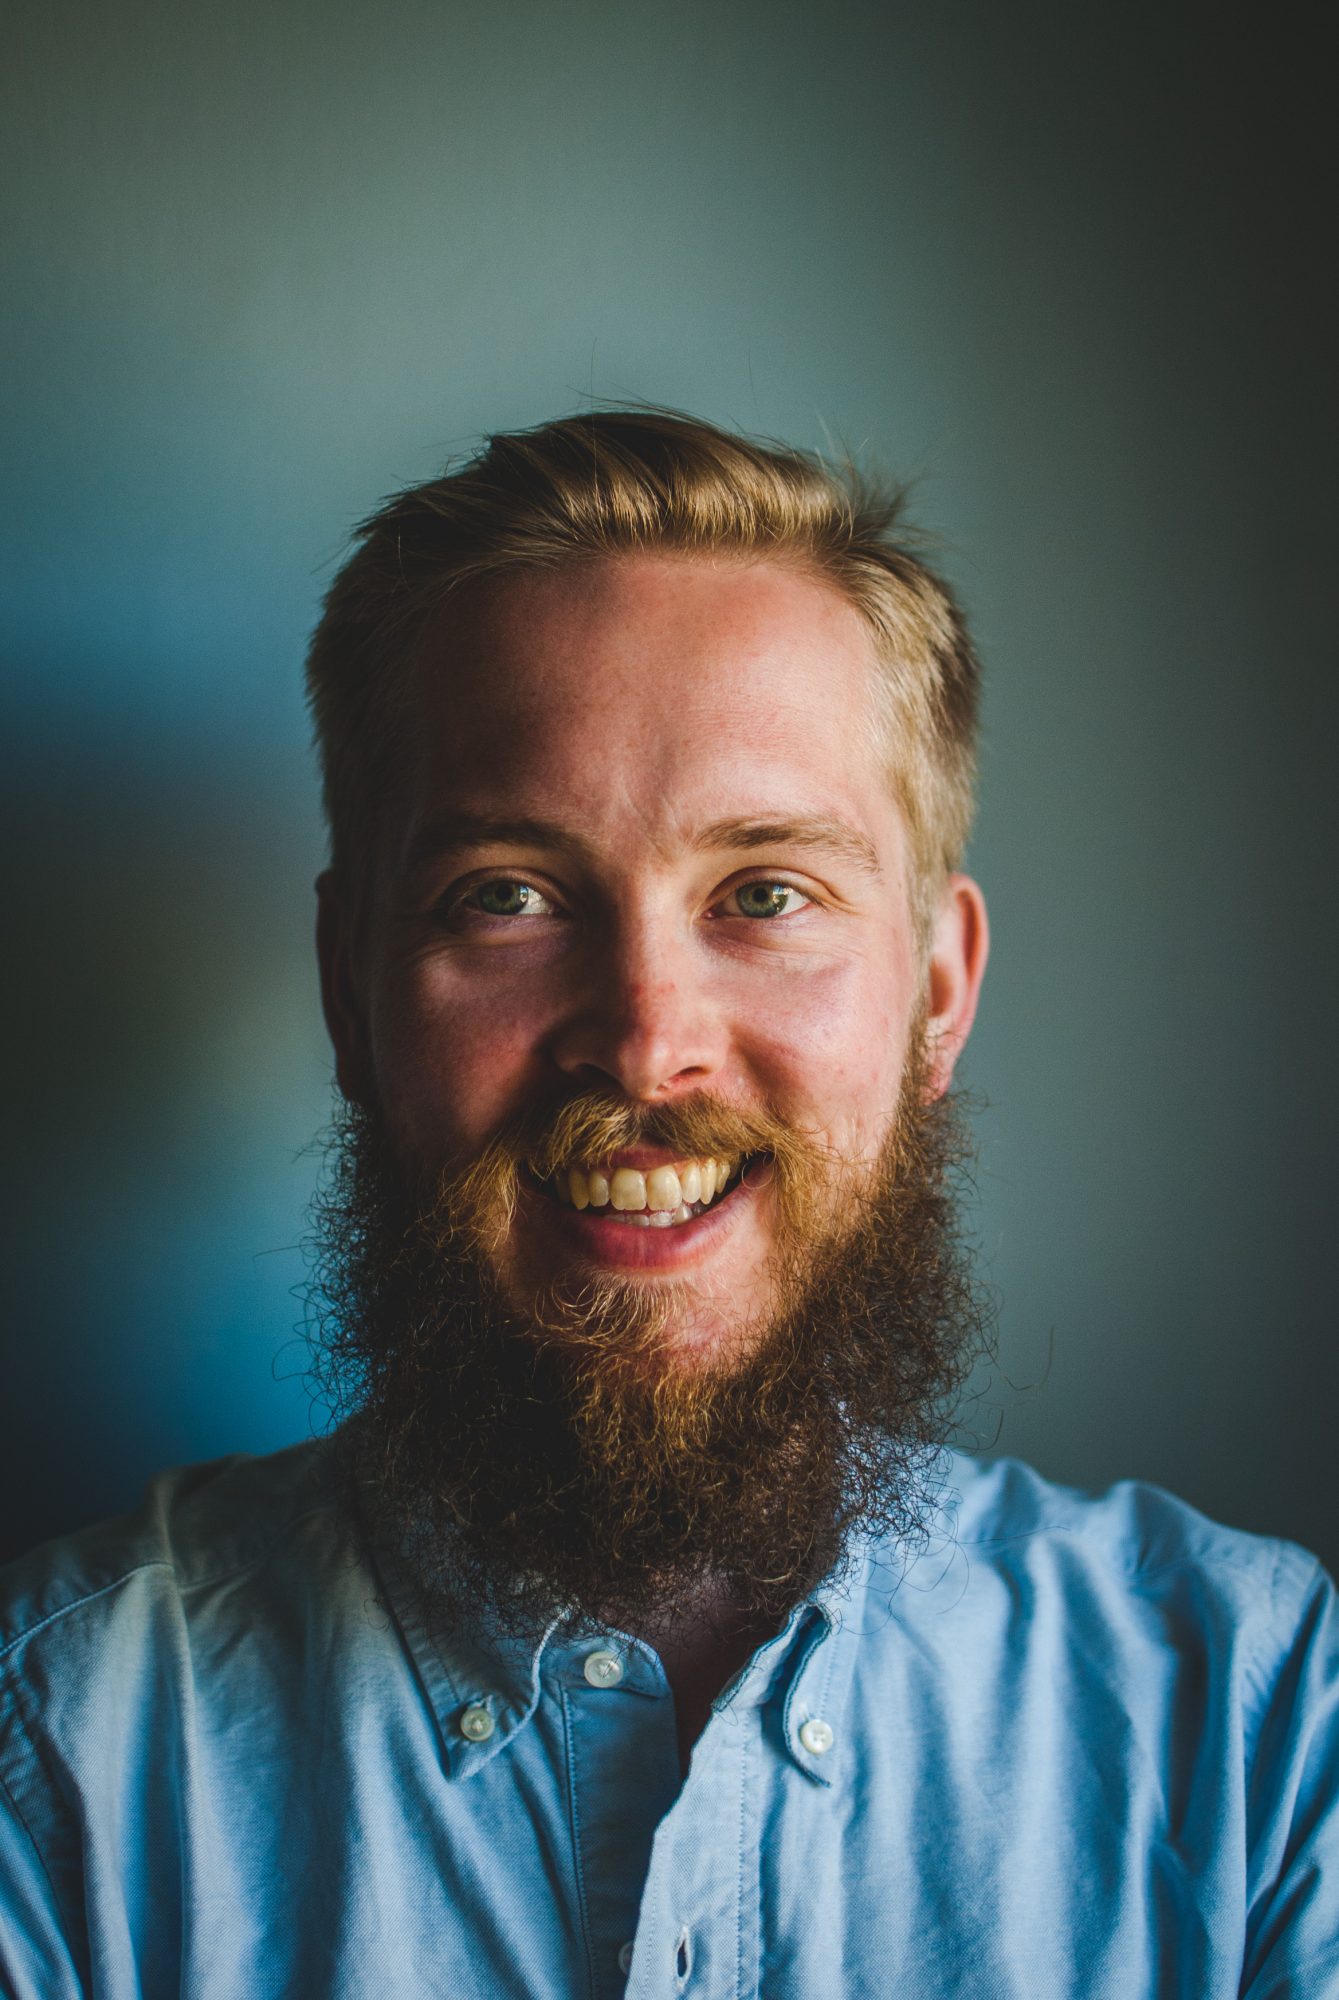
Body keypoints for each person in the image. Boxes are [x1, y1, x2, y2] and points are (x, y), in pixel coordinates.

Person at [0, 410, 1334, 1999]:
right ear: (349, 990)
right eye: (508, 896)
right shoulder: (52, 1764)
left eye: (765, 894)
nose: (645, 1042)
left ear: (938, 994)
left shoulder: (1260, 1733)